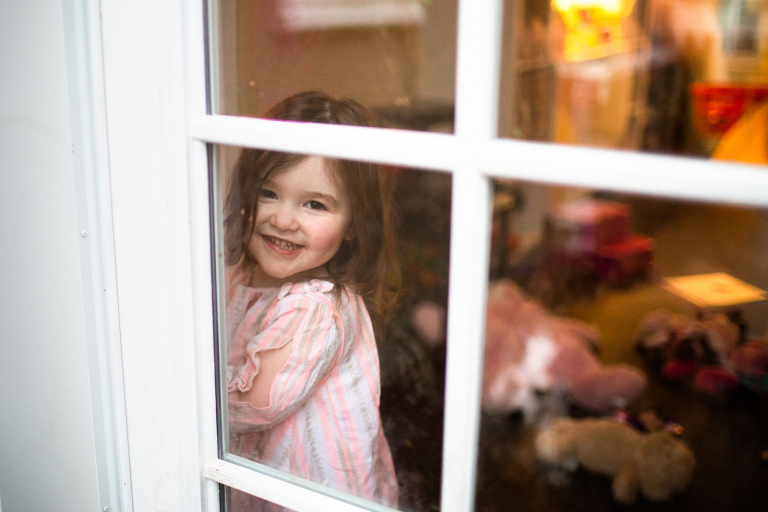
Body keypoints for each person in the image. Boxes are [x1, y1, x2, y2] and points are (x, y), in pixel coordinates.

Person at [222, 91, 400, 511]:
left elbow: (254, 405)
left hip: (306, 494)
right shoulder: (242, 275)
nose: (283, 219)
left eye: (314, 204)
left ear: (354, 225)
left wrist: (174, 385)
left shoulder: (314, 308)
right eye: (268, 193)